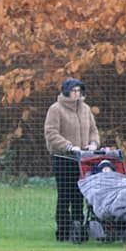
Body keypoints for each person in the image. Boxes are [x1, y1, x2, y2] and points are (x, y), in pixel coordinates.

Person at [44, 78, 100, 242]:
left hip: (83, 159)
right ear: (66, 91)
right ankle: (62, 232)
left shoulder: (85, 109)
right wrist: (68, 146)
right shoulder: (56, 109)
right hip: (64, 158)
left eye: (79, 91)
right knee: (65, 195)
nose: (77, 94)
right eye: (74, 91)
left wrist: (93, 143)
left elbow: (93, 130)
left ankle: (79, 230)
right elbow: (51, 133)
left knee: (79, 195)